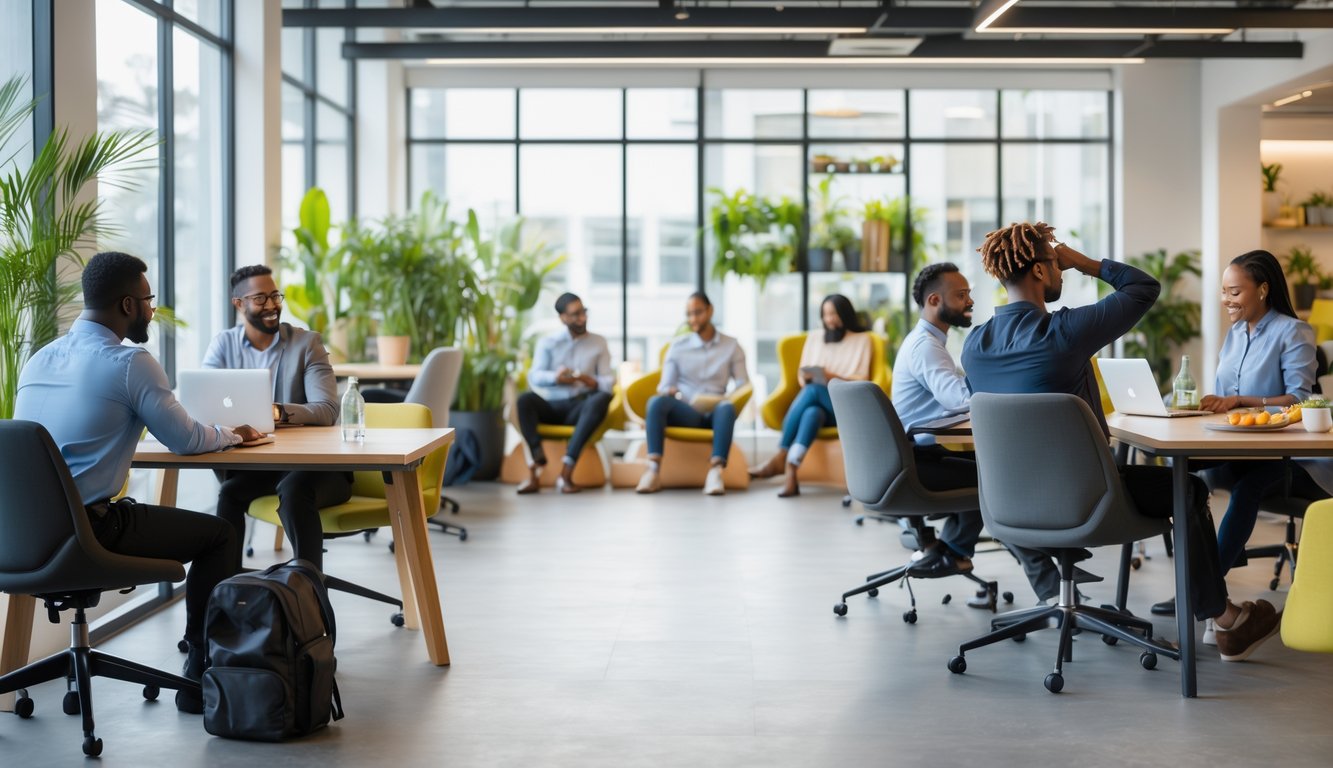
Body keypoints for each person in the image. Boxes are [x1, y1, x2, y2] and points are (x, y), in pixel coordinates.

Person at [961, 221, 1282, 662]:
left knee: (1168, 483)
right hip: (1085, 499)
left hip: (1007, 503)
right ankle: (1224, 619)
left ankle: (1221, 616)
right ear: (1038, 272)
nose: (1061, 272)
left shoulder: (974, 345)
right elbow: (1143, 287)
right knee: (1188, 488)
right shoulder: (1064, 332)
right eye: (1055, 265)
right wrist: (1083, 262)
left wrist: (1058, 260)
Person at [14, 251, 258, 713]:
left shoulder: (39, 359)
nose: (151, 309)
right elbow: (186, 439)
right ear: (128, 305)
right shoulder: (129, 362)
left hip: (20, 536)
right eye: (148, 300)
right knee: (220, 535)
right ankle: (200, 673)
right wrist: (233, 433)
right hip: (89, 531)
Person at [1149, 250, 1317, 619]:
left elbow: (1300, 399)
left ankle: (1201, 592)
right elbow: (1227, 396)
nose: (1226, 299)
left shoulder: (1293, 331)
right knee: (1189, 477)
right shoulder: (1236, 334)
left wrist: (1241, 399)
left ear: (1262, 290)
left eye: (1235, 292)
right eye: (1224, 291)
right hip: (1238, 446)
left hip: (1287, 457)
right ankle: (1206, 589)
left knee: (1249, 486)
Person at [202, 264, 351, 573]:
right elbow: (204, 403)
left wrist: (278, 412)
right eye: (260, 298)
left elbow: (328, 411)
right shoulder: (223, 345)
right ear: (239, 304)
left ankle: (309, 592)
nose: (272, 305)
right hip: (264, 468)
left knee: (295, 488)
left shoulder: (306, 343)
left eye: (275, 296)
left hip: (319, 469)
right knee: (229, 493)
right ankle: (223, 590)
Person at [886, 263, 987, 581]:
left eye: (969, 294)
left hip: (910, 454)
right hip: (914, 460)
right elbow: (960, 399)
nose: (970, 302)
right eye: (961, 295)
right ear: (933, 301)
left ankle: (948, 549)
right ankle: (953, 552)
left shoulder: (926, 342)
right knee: (996, 478)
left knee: (989, 467)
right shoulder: (926, 348)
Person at [749, 294, 871, 498]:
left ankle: (781, 453)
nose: (829, 319)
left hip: (844, 407)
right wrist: (807, 377)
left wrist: (831, 376)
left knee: (813, 391)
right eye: (825, 315)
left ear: (845, 314)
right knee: (812, 413)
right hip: (819, 403)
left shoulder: (863, 340)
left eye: (833, 314)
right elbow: (801, 374)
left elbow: (862, 380)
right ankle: (791, 472)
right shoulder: (815, 338)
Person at [637, 292, 750, 496]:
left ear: (710, 310)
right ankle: (653, 471)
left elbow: (743, 384)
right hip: (687, 411)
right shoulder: (677, 347)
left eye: (697, 313)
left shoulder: (732, 345)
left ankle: (715, 472)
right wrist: (669, 391)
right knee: (656, 402)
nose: (693, 319)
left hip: (717, 411)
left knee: (726, 407)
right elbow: (665, 385)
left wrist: (733, 397)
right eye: (689, 314)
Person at [515, 292, 615, 494]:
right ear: (563, 318)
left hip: (581, 407)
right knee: (524, 400)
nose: (582, 318)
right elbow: (534, 377)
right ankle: (537, 458)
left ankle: (566, 472)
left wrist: (589, 380)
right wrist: (556, 378)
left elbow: (609, 382)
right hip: (552, 405)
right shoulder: (548, 343)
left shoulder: (599, 342)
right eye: (576, 314)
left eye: (583, 312)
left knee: (602, 398)